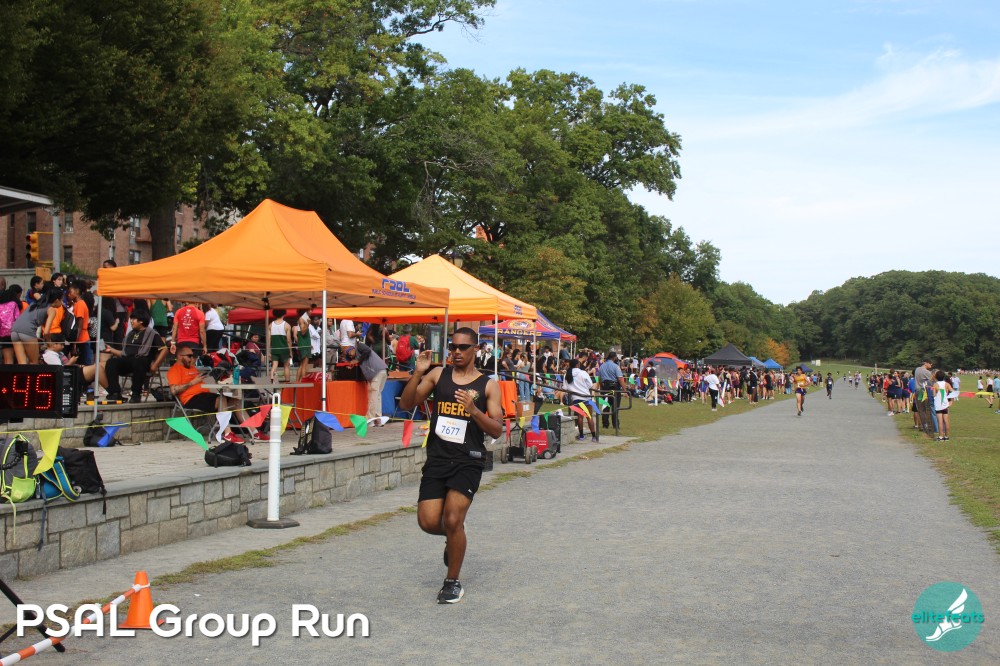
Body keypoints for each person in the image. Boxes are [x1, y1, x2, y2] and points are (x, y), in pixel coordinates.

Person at [399, 328, 502, 604]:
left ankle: (452, 582)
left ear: (475, 349)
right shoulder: (438, 375)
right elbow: (407, 403)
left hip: (468, 460)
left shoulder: (488, 385)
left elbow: (497, 429)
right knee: (428, 522)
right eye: (452, 347)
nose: (456, 352)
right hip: (438, 458)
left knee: (453, 518)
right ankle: (455, 537)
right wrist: (418, 373)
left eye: (462, 347)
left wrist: (474, 410)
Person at [168, 341, 248, 442]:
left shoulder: (192, 368)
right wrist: (192, 382)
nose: (192, 358)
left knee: (236, 401)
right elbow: (174, 390)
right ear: (180, 356)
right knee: (221, 399)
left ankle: (254, 432)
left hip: (204, 395)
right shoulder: (174, 370)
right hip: (190, 399)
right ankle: (227, 433)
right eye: (189, 356)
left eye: (193, 356)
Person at [104, 312, 168, 403]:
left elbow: (164, 350)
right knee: (111, 362)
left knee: (138, 362)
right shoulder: (130, 334)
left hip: (142, 360)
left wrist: (155, 365)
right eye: (131, 319)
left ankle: (136, 394)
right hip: (128, 360)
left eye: (133, 319)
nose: (131, 321)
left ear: (141, 321)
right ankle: (115, 393)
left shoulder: (152, 334)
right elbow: (124, 353)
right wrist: (111, 350)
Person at [345, 342, 388, 422]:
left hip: (376, 372)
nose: (351, 357)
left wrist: (357, 360)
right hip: (382, 370)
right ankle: (378, 418)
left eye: (350, 354)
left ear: (352, 349)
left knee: (373, 395)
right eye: (350, 357)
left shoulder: (360, 346)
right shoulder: (360, 356)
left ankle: (370, 418)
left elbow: (367, 351)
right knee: (377, 395)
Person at [563, 358, 597, 442]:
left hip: (575, 398)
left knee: (580, 417)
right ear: (577, 364)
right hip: (586, 397)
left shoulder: (567, 374)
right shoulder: (583, 373)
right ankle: (594, 436)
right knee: (589, 417)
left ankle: (581, 436)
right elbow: (590, 384)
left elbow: (565, 387)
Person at [597, 352, 626, 430]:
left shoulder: (602, 366)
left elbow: (600, 379)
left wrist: (601, 388)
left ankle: (605, 424)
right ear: (614, 357)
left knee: (605, 406)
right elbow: (620, 378)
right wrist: (625, 390)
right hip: (614, 387)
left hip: (605, 387)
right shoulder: (616, 366)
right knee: (615, 406)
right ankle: (615, 424)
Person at [268, 309, 293, 382]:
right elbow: (289, 340)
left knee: (274, 365)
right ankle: (287, 381)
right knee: (286, 366)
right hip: (284, 349)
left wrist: (269, 351)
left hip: (274, 349)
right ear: (284, 314)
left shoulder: (270, 325)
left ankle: (272, 379)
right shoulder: (287, 325)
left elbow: (269, 340)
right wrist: (290, 351)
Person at [932, 370, 953, 441]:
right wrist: (951, 400)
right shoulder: (947, 384)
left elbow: (934, 394)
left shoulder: (935, 384)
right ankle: (947, 436)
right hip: (945, 404)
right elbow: (952, 391)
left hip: (938, 405)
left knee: (940, 421)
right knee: (946, 421)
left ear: (936, 377)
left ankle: (941, 436)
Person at [296, 310, 312, 381]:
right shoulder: (302, 319)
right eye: (309, 310)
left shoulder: (303, 319)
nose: (311, 311)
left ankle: (298, 381)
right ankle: (303, 381)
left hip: (305, 344)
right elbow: (303, 332)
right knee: (304, 365)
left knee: (302, 364)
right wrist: (308, 324)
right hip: (304, 344)